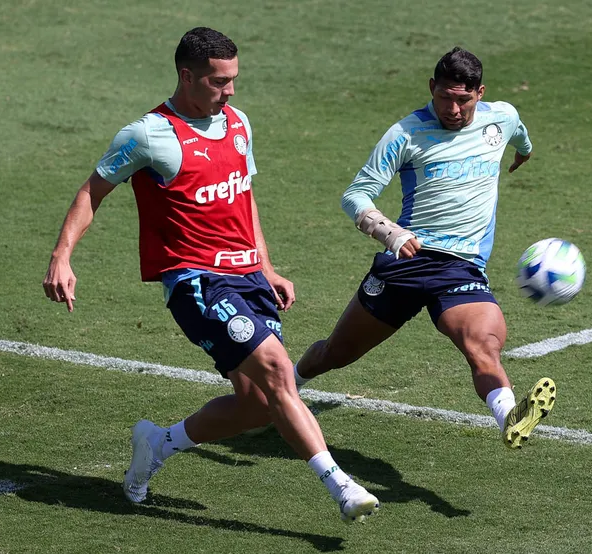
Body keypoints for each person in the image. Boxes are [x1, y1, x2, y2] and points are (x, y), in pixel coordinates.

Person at [42, 27, 378, 523]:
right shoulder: (148, 135)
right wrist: (62, 256)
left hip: (248, 277)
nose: (230, 91)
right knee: (278, 372)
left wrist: (265, 266)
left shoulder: (237, 123)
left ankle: (158, 443)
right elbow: (93, 191)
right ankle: (341, 486)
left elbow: (242, 196)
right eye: (219, 81)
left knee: (257, 405)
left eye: (233, 79)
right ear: (187, 76)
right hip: (196, 280)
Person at [292, 47, 556, 449]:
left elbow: (520, 137)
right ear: (432, 87)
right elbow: (355, 194)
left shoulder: (502, 118)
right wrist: (390, 233)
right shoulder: (405, 134)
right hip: (406, 261)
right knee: (335, 353)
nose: (453, 109)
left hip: (461, 266)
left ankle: (509, 416)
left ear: (480, 93)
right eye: (444, 97)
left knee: (483, 346)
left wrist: (525, 151)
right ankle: (284, 389)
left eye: (463, 100)